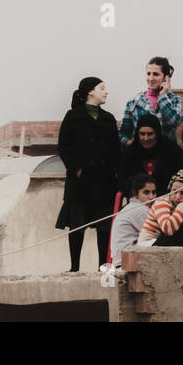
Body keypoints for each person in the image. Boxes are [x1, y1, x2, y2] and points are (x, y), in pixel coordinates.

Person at [56, 77, 121, 271]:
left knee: (104, 226)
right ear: (90, 92)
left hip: (105, 180)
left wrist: (118, 176)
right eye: (102, 88)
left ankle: (103, 265)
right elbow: (63, 146)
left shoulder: (108, 118)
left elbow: (116, 150)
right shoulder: (73, 116)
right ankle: (74, 266)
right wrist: (76, 169)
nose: (106, 91)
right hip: (81, 182)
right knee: (77, 224)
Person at [118, 56, 183, 150]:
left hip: (166, 158)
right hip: (140, 158)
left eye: (156, 74)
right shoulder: (134, 101)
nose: (151, 78)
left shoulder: (175, 100)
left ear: (166, 77)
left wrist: (162, 97)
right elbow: (123, 133)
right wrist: (130, 144)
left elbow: (175, 121)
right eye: (148, 73)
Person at [120, 114, 183, 194]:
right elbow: (122, 181)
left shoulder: (172, 150)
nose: (146, 138)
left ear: (157, 133)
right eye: (142, 134)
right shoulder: (130, 152)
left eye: (150, 134)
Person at [137, 170, 183, 247]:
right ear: (170, 189)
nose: (178, 197)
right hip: (149, 244)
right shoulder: (162, 202)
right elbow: (168, 229)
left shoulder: (180, 204)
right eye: (175, 191)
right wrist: (182, 206)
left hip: (163, 241)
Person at [111, 174, 158, 261]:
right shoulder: (139, 209)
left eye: (154, 192)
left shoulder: (135, 207)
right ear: (135, 193)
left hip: (125, 258)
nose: (151, 197)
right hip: (127, 262)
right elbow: (158, 234)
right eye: (146, 192)